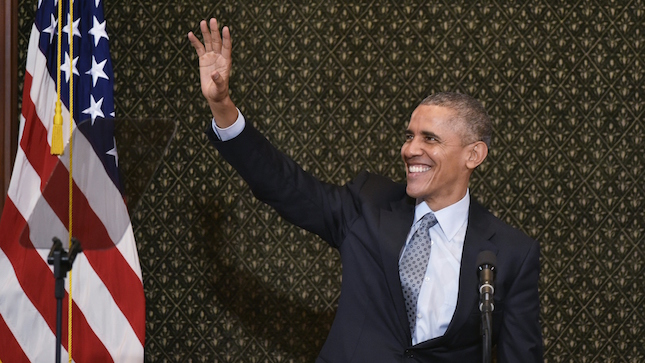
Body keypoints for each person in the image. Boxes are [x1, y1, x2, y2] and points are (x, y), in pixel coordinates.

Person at [188, 18, 543, 362]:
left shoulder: (510, 254)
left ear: (473, 155)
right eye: (409, 136)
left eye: (430, 139)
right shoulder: (367, 203)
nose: (410, 149)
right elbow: (285, 185)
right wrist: (222, 107)